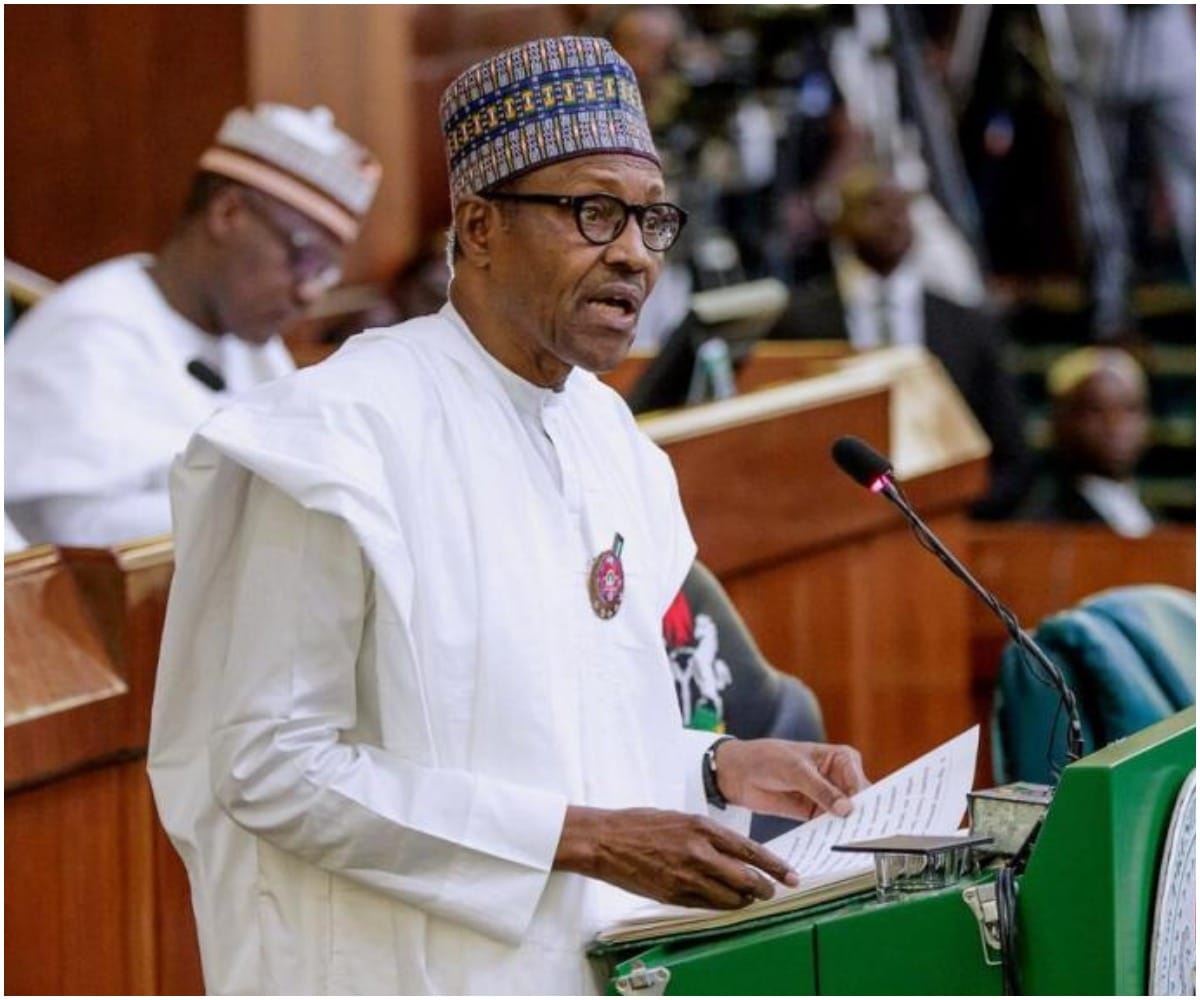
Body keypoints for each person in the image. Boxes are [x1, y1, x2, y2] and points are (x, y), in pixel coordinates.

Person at [148, 37, 868, 996]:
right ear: (479, 227)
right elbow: (270, 765)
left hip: (602, 964)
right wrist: (586, 840)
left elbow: (563, 728)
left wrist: (718, 768)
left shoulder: (607, 434)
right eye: (594, 212)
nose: (634, 254)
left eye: (653, 220)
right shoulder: (335, 440)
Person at [4, 104, 380, 547]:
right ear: (228, 213)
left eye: (325, 273)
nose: (308, 293)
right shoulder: (91, 333)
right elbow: (70, 530)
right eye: (303, 258)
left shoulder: (252, 344)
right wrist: (267, 510)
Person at [766, 164, 1033, 519]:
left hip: (951, 518)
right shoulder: (798, 323)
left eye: (902, 206)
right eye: (875, 205)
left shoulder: (968, 325)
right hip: (836, 516)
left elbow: (1011, 453)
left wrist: (953, 515)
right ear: (842, 221)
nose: (894, 219)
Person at [1019, 346, 1156, 536]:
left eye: (1129, 409)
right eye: (1096, 410)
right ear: (1060, 421)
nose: (1115, 425)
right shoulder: (1043, 524)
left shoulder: (1151, 516)